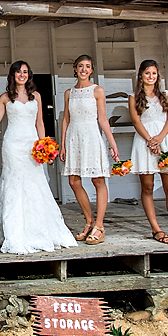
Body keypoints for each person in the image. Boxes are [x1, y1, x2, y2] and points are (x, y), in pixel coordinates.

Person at [0, 61, 77, 254]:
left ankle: (37, 229)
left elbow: (39, 124)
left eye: (25, 72)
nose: (22, 75)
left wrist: (45, 145)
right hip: (13, 146)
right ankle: (13, 231)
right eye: (19, 72)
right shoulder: (5, 97)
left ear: (29, 75)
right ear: (12, 75)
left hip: (32, 145)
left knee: (35, 183)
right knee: (14, 183)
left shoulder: (35, 96)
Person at [59, 54, 120, 246]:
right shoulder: (69, 93)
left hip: (92, 137)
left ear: (92, 69)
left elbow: (102, 119)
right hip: (74, 137)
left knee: (97, 179)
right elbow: (66, 119)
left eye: (87, 66)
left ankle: (99, 226)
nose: (84, 69)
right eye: (80, 66)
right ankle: (89, 221)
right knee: (74, 181)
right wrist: (63, 144)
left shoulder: (98, 90)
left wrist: (112, 143)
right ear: (75, 69)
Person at [128, 60, 168, 244]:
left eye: (154, 73)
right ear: (141, 76)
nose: (150, 77)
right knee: (147, 187)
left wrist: (160, 139)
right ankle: (156, 229)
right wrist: (149, 140)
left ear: (158, 76)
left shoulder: (165, 95)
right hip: (144, 141)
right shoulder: (133, 97)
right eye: (147, 73)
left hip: (165, 139)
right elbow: (136, 122)